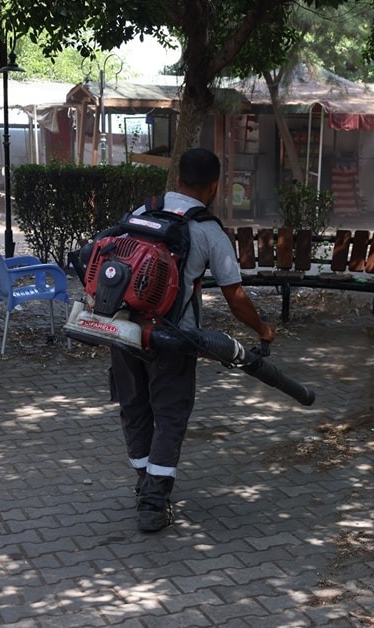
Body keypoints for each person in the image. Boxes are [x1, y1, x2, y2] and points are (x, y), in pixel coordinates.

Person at [109, 147, 276, 532]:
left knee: (134, 408)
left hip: (122, 328)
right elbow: (235, 297)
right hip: (171, 338)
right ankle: (153, 501)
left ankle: (144, 481)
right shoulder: (207, 229)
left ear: (178, 177)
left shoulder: (142, 211)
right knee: (169, 417)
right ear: (215, 185)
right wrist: (263, 329)